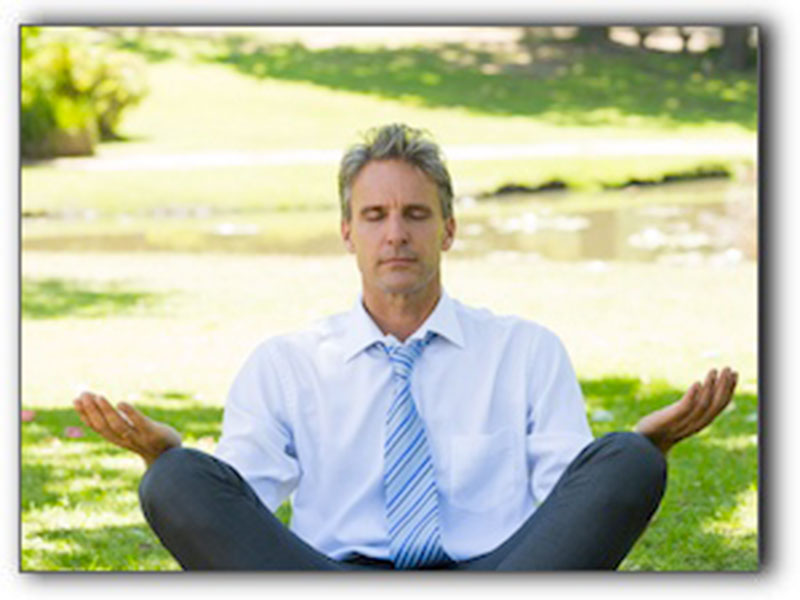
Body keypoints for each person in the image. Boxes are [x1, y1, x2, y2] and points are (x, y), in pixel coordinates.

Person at [73, 123, 738, 571]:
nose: (396, 234)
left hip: (498, 574)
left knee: (627, 458)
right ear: (347, 232)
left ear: (447, 229)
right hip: (329, 577)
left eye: (415, 214)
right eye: (375, 216)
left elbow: (566, 497)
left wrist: (642, 450)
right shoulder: (285, 363)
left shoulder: (526, 351)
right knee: (177, 478)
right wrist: (166, 455)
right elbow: (237, 492)